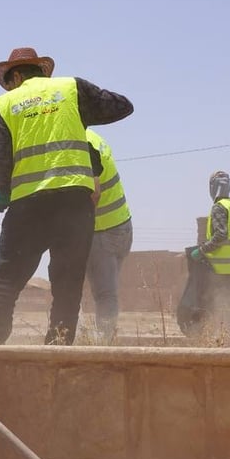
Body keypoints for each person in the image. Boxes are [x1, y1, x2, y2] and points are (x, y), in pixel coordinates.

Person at [0, 47, 133, 345]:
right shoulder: (70, 89)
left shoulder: (6, 103)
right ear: (40, 71)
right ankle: (57, 350)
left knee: (5, 283)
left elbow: (2, 157)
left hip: (28, 208)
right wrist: (82, 115)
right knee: (67, 288)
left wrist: (3, 191)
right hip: (74, 208)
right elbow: (123, 106)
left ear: (14, 76)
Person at [84, 130, 133, 343]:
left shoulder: (80, 143)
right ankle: (102, 340)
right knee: (106, 293)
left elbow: (94, 192)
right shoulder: (93, 136)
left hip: (103, 231)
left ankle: (103, 346)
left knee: (104, 294)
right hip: (122, 224)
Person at [189, 171, 230, 340]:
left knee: (218, 306)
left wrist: (200, 251)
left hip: (222, 270)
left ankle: (221, 343)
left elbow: (221, 236)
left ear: (212, 188)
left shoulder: (219, 208)